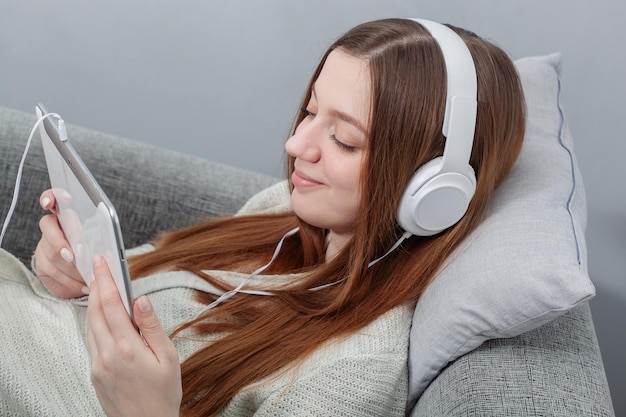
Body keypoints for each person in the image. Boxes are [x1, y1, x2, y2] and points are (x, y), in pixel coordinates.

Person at [0, 17, 525, 416]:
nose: (297, 144)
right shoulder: (290, 212)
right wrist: (72, 276)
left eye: (343, 138)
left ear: (434, 190)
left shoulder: (353, 373)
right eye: (311, 112)